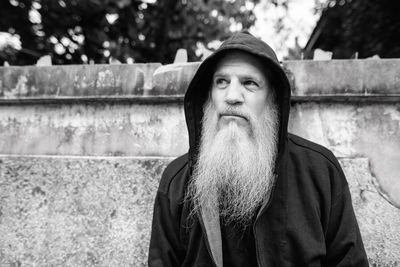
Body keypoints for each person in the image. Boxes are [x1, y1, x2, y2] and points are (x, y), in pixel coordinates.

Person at [148, 31, 368, 266]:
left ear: (272, 98)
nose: (231, 96)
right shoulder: (177, 180)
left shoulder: (320, 171)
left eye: (249, 83)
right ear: (209, 95)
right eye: (221, 82)